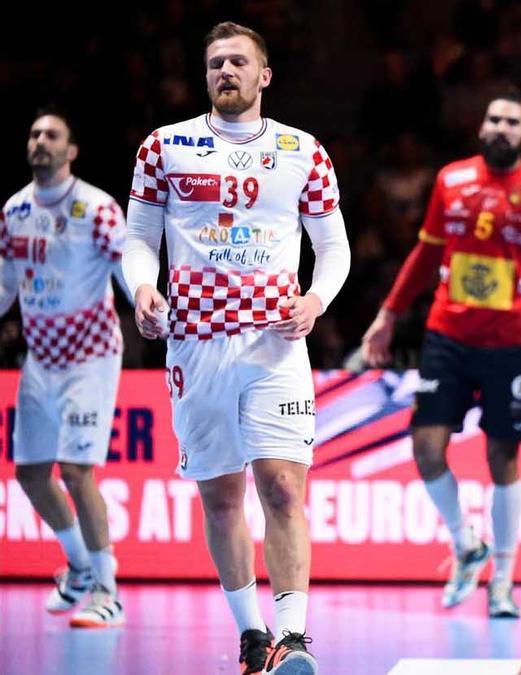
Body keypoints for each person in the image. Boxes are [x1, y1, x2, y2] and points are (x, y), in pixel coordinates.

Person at [122, 22, 350, 675]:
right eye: (216, 62)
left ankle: (295, 635)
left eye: (239, 62)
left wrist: (315, 300)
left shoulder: (302, 150)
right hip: (193, 346)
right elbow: (139, 240)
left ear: (264, 75)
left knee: (281, 487)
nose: (226, 71)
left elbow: (333, 248)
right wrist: (142, 287)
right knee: (221, 496)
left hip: (274, 345)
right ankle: (253, 633)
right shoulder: (164, 147)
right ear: (206, 76)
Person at [360, 89, 521, 618]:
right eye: (494, 119)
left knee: (502, 457)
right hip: (447, 335)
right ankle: (466, 544)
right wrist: (389, 315)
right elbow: (427, 252)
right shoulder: (450, 179)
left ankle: (503, 581)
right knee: (426, 449)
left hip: (510, 342)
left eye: (513, 122)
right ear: (481, 128)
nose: (502, 128)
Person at [0, 109, 128, 629]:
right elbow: (7, 284)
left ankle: (107, 590)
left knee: (76, 472)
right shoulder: (13, 211)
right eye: (33, 133)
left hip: (91, 355)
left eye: (51, 135)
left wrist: (151, 309)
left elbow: (126, 270)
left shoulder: (96, 208)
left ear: (71, 151)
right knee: (30, 474)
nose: (39, 141)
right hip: (40, 357)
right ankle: (77, 567)